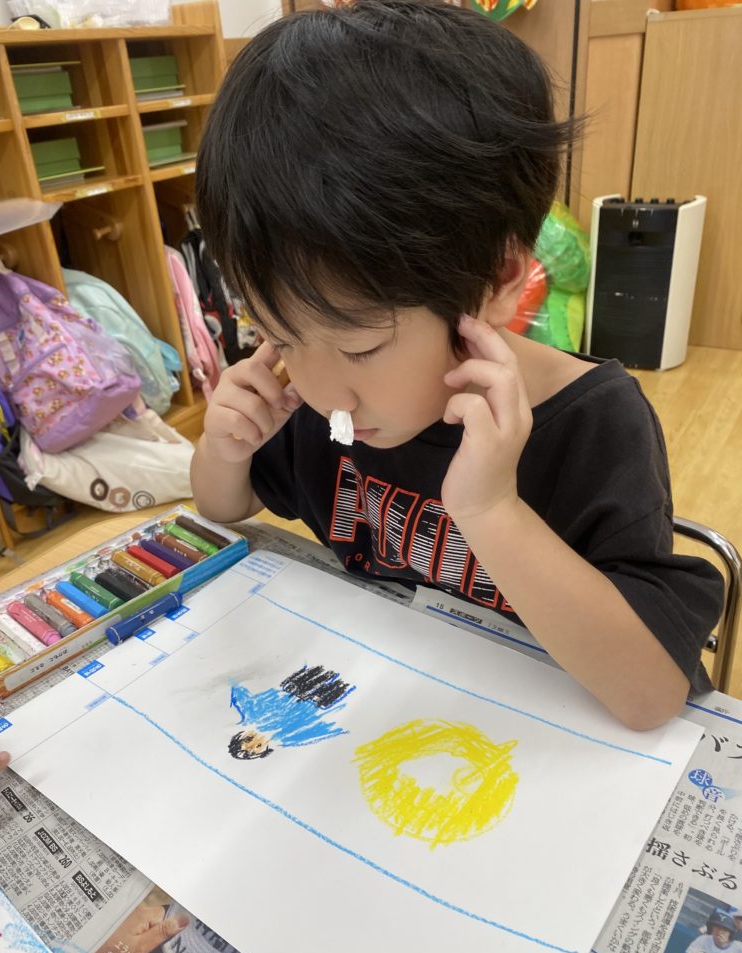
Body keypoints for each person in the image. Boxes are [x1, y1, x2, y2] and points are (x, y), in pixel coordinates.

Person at [191, 0, 724, 731]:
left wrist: (491, 510)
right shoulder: (317, 395)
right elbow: (224, 507)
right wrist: (224, 449)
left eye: (360, 347)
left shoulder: (595, 424)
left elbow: (649, 696)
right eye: (277, 333)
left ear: (499, 280)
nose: (321, 390)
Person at [228, 664, 355, 759]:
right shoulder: (287, 740)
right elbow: (320, 732)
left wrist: (233, 681)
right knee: (348, 679)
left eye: (248, 739)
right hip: (319, 701)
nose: (257, 739)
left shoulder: (252, 714)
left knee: (325, 668)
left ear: (241, 734)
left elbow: (239, 692)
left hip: (297, 686)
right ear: (263, 752)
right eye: (256, 748)